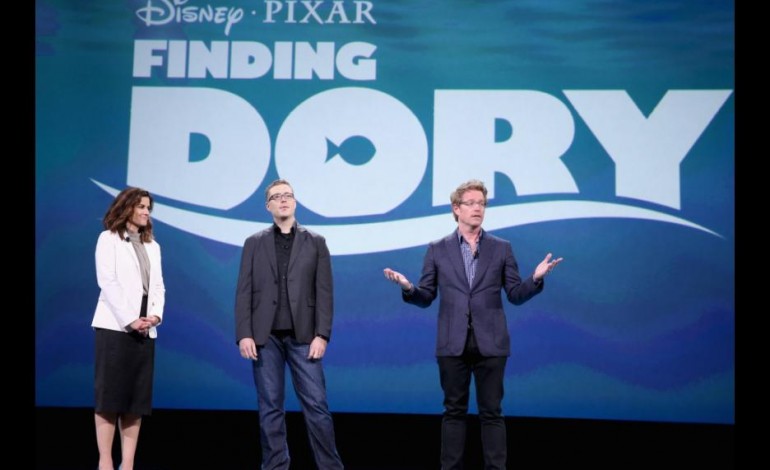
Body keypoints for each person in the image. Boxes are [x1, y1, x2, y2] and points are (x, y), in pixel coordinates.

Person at [383, 179, 562, 470]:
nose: (478, 208)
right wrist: (408, 288)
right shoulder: (437, 249)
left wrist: (536, 279)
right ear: (456, 209)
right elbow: (426, 297)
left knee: (492, 413)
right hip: (452, 344)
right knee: (453, 412)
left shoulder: (501, 248)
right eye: (471, 203)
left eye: (482, 203)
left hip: (491, 343)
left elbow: (515, 294)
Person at [235, 178, 344, 470]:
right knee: (270, 408)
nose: (283, 200)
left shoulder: (316, 242)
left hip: (304, 337)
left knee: (317, 406)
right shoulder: (254, 243)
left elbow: (324, 292)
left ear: (294, 202)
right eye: (277, 197)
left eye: (288, 195)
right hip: (265, 338)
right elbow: (244, 291)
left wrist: (322, 335)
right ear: (268, 206)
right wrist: (244, 334)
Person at [91, 187, 165, 470]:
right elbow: (107, 281)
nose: (146, 212)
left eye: (148, 208)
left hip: (145, 330)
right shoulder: (108, 239)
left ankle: (128, 463)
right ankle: (106, 462)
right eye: (141, 206)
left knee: (136, 400)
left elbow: (157, 286)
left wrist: (154, 316)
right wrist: (130, 319)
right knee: (110, 397)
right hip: (115, 327)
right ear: (127, 207)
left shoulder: (153, 245)